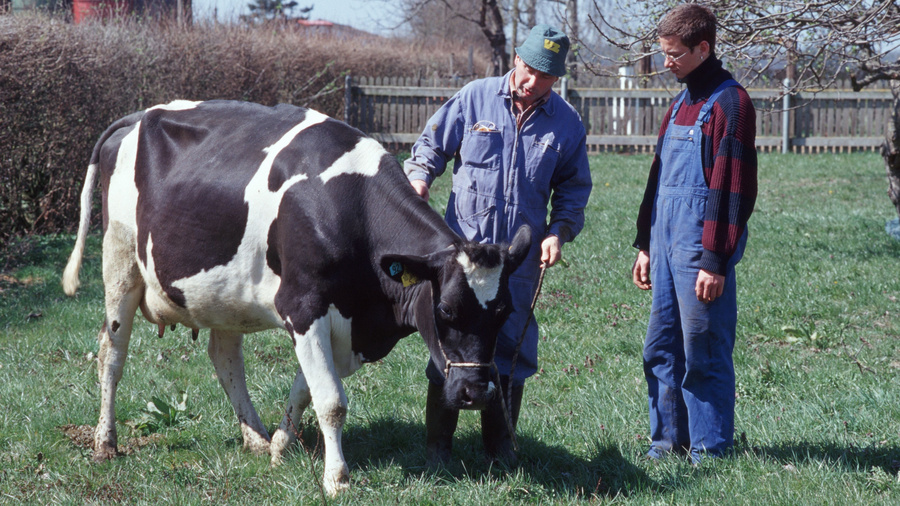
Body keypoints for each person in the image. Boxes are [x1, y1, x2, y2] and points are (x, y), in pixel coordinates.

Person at [404, 24, 592, 464]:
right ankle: (438, 449)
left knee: (510, 347)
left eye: (545, 76)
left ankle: (500, 448)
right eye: (529, 70)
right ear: (516, 60)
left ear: (557, 78)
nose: (533, 82)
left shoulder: (566, 124)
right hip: (464, 260)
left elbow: (573, 190)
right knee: (452, 344)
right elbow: (431, 145)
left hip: (517, 261)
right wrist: (419, 179)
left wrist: (558, 232)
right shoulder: (475, 98)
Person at [631, 3, 758, 464]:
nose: (667, 62)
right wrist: (645, 244)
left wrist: (715, 259)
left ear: (703, 48)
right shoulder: (680, 103)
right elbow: (658, 177)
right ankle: (667, 444)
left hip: (700, 249)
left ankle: (710, 451)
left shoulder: (730, 104)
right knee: (661, 348)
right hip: (665, 244)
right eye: (663, 53)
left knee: (702, 349)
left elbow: (732, 189)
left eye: (675, 54)